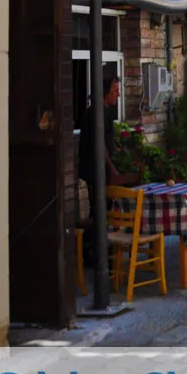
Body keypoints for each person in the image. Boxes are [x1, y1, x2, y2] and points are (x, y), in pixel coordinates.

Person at [77, 66, 121, 265]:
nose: (117, 96)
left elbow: (107, 140)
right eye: (114, 92)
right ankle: (93, 251)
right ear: (105, 92)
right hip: (94, 170)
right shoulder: (95, 113)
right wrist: (111, 167)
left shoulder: (106, 112)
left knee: (101, 210)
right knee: (99, 210)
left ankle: (96, 249)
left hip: (100, 169)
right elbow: (99, 143)